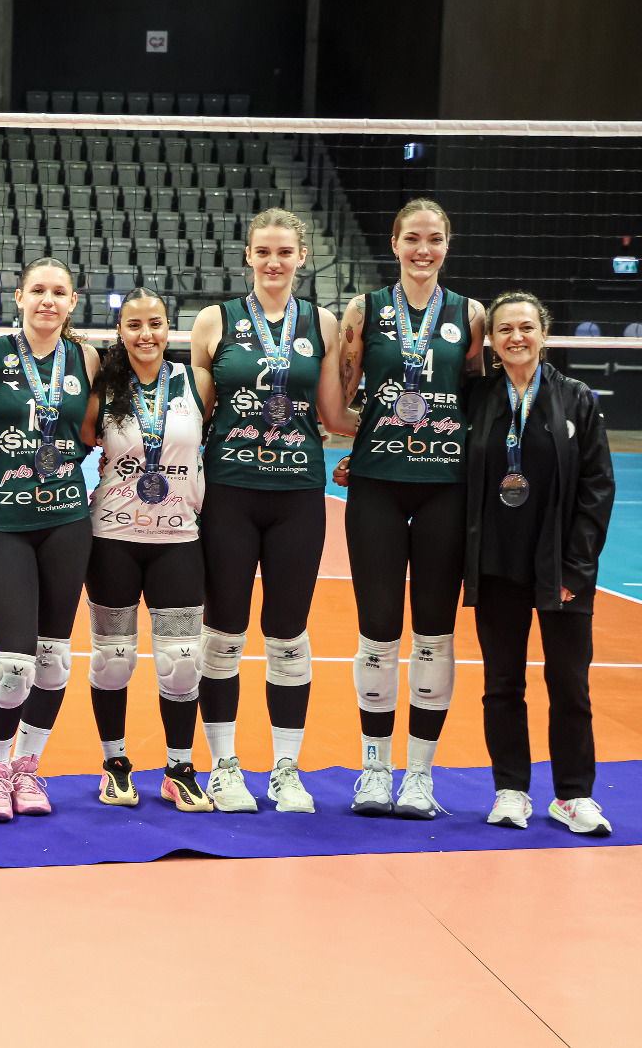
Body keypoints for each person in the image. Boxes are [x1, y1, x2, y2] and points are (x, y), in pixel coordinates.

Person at [189, 208, 352, 814]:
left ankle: (286, 769)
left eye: (285, 251)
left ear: (302, 256)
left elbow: (334, 416)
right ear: (248, 256)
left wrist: (391, 431)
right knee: (223, 632)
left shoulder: (322, 322)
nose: (274, 261)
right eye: (264, 251)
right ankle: (223, 767)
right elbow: (191, 414)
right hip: (229, 494)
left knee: (288, 633)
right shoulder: (215, 321)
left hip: (298, 497)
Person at [333, 200, 485, 819]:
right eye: (413, 238)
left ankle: (419, 775)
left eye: (435, 239)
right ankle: (375, 769)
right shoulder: (363, 310)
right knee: (377, 630)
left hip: (446, 487)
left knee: (434, 632)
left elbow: (477, 400)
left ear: (448, 244)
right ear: (394, 242)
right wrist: (366, 441)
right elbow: (341, 400)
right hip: (377, 485)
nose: (424, 250)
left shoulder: (470, 315)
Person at [463, 292, 614, 836]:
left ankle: (573, 795)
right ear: (490, 340)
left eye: (526, 327)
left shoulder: (577, 399)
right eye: (504, 329)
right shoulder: (477, 398)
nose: (516, 337)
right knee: (503, 684)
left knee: (569, 684)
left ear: (543, 334)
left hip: (561, 570)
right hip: (497, 564)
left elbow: (597, 488)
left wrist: (577, 569)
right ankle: (511, 790)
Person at [0, 257, 99, 822]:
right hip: (4, 523)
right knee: (14, 663)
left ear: (73, 302)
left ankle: (27, 768)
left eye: (59, 292)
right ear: (18, 297)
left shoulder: (86, 359)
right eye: (38, 290)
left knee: (53, 660)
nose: (48, 300)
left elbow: (95, 432)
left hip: (67, 520)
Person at [83, 289, 214, 811]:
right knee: (112, 660)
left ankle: (179, 769)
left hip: (178, 539)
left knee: (182, 661)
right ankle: (115, 765)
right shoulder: (104, 386)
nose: (146, 334)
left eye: (155, 323)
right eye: (134, 325)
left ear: (168, 328)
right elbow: (73, 441)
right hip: (113, 538)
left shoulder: (196, 382)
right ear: (120, 331)